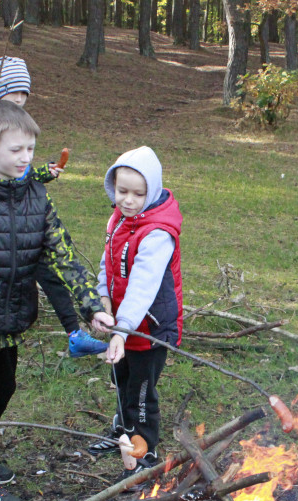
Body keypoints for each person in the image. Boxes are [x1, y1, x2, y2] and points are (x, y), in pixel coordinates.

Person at [0, 100, 113, 501]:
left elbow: (61, 253)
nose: (26, 158)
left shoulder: (35, 194)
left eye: (30, 149)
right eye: (15, 150)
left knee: (6, 388)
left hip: (10, 318)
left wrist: (91, 307)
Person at [0, 56, 107, 361]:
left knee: (48, 269)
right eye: (12, 93)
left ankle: (74, 333)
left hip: (21, 214)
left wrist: (39, 174)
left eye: (24, 94)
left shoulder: (34, 189)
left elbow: (64, 255)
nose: (19, 99)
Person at [88, 147, 183, 475]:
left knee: (141, 393)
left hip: (148, 329)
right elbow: (107, 263)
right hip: (124, 326)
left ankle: (144, 453)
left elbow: (142, 285)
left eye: (138, 194)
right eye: (121, 191)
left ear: (152, 191)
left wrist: (122, 328)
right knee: (122, 380)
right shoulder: (118, 219)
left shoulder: (158, 233)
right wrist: (103, 300)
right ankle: (123, 434)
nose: (127, 200)